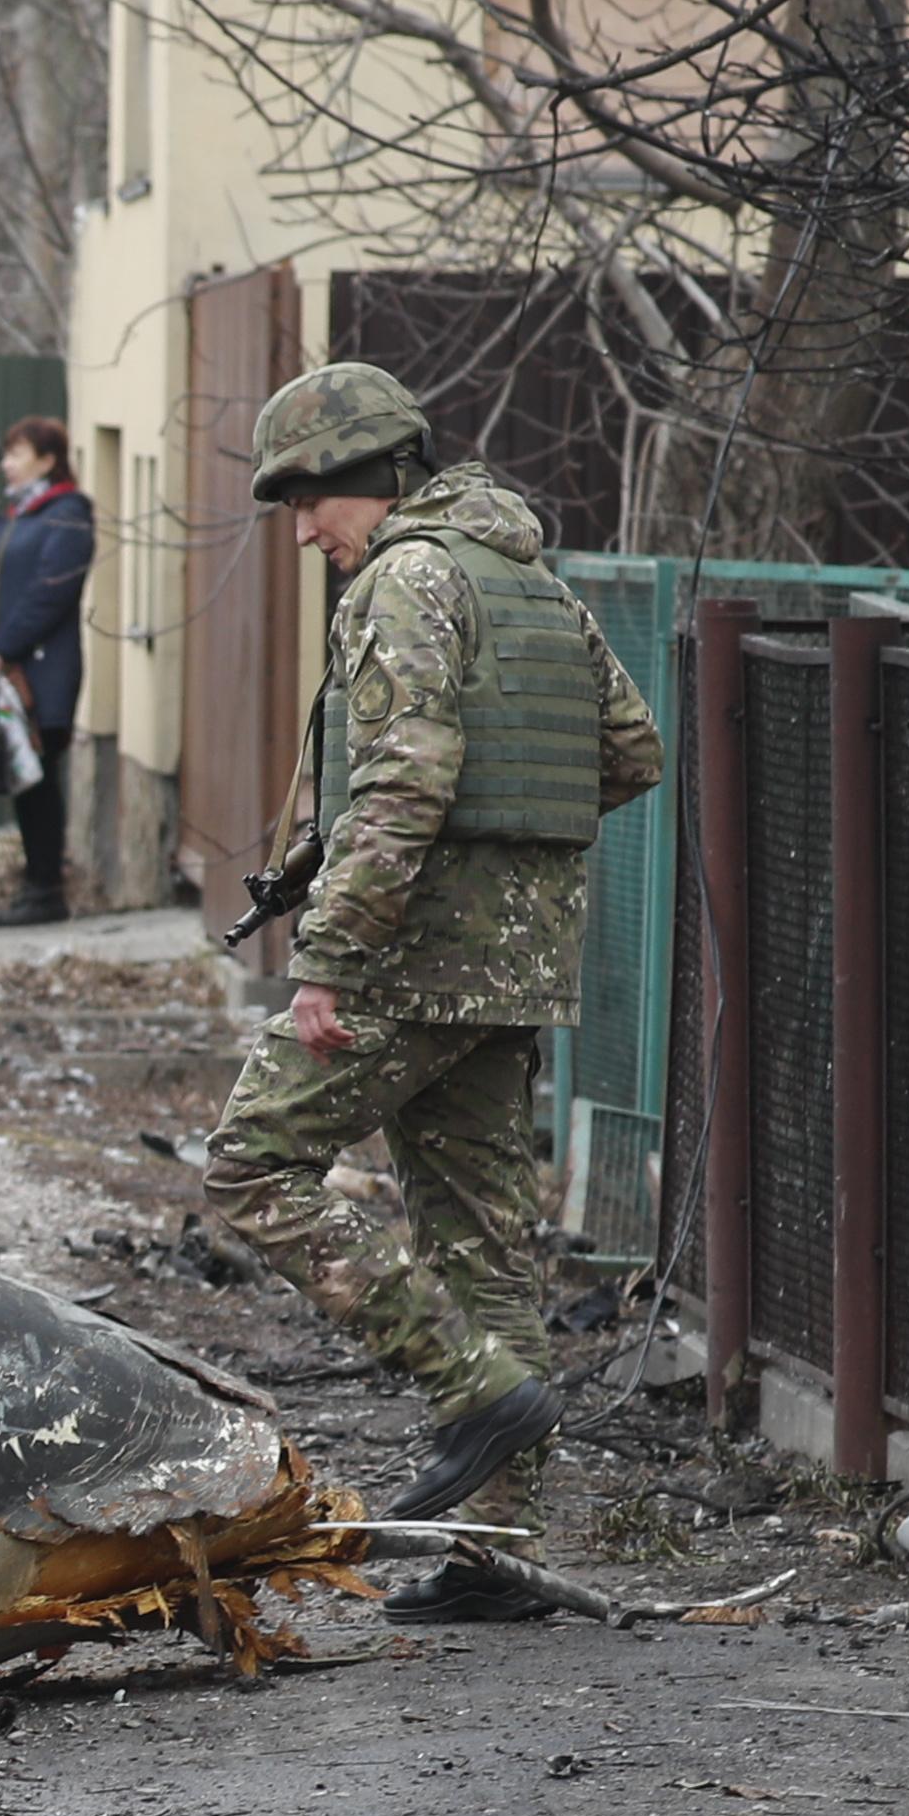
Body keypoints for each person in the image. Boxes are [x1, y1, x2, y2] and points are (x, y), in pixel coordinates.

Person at [195, 361, 662, 1569]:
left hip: (410, 954)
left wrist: (328, 959)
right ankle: (496, 1551)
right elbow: (627, 749)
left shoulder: (404, 577)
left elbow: (400, 781)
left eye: (311, 501)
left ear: (378, 477)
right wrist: (507, 854)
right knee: (480, 1240)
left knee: (251, 1167)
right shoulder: (524, 576)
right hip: (512, 960)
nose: (303, 532)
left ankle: (474, 1386)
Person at [0, 417, 97, 925]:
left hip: (43, 671)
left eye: (16, 453)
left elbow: (51, 590)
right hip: (7, 667)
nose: (6, 463)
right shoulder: (14, 515)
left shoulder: (67, 514)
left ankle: (46, 888)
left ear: (47, 461)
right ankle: (35, 885)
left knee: (40, 779)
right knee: (23, 779)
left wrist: (5, 646)